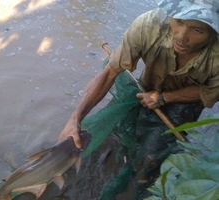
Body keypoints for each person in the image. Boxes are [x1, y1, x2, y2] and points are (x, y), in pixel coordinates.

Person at [58, 0, 219, 198]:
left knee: (152, 156)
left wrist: (164, 98)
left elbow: (210, 92)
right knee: (129, 131)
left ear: (213, 32)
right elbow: (110, 73)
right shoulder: (148, 25)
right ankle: (127, 157)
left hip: (187, 102)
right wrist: (76, 117)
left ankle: (143, 178)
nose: (181, 36)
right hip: (148, 86)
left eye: (197, 30)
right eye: (178, 21)